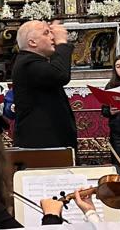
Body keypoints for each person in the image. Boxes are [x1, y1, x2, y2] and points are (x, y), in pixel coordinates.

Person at [12, 20, 77, 152]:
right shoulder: (27, 64)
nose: (52, 37)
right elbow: (60, 74)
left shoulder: (34, 61)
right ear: (32, 42)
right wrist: (62, 43)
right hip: (41, 144)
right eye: (46, 33)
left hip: (49, 142)